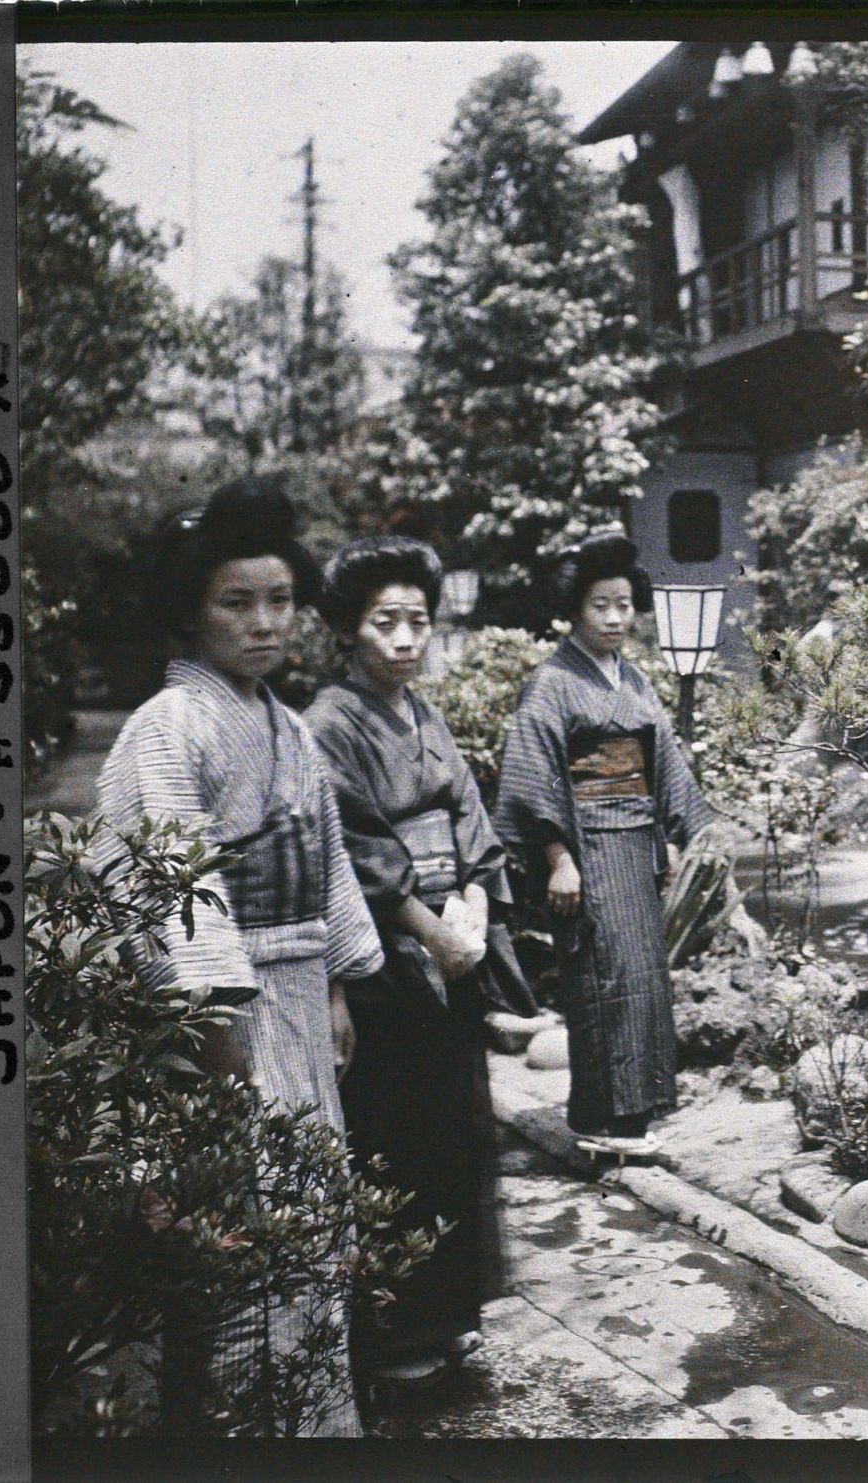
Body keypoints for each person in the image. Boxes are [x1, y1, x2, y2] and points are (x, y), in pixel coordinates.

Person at [94, 479, 382, 1436]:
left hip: (299, 992)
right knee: (239, 1243)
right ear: (192, 608)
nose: (265, 624)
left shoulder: (290, 726)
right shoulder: (168, 727)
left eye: (280, 601)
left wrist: (336, 981)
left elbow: (329, 864)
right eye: (236, 602)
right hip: (226, 1020)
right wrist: (217, 1025)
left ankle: (313, 1423)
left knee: (309, 1224)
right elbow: (168, 884)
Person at [303, 535, 538, 1389]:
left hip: (451, 942)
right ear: (347, 631)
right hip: (387, 954)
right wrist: (432, 930)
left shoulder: (424, 712)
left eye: (418, 622)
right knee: (394, 1137)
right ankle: (394, 1332)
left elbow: (471, 819)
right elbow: (358, 846)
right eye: (384, 623)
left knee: (454, 1133)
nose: (406, 640)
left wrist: (473, 905)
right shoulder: (327, 724)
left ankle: (451, 1313)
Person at [493, 532, 710, 1162]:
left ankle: (634, 1116)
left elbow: (661, 758)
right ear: (575, 611)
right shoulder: (553, 683)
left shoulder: (634, 679)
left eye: (624, 605)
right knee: (600, 977)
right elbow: (534, 773)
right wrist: (557, 859)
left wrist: (669, 835)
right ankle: (598, 1118)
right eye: (600, 606)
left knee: (642, 977)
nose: (616, 619)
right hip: (585, 849)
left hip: (635, 840)